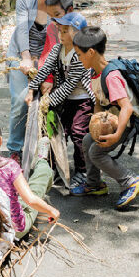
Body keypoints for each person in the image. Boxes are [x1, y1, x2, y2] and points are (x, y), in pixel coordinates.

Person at [69, 26, 139, 209]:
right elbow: (98, 101)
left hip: (125, 122)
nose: (78, 59)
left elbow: (127, 108)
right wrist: (95, 122)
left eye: (79, 55)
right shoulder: (93, 73)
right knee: (87, 140)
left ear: (90, 52)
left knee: (96, 152)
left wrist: (116, 135)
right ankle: (93, 184)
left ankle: (130, 180)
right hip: (111, 120)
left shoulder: (111, 77)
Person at [5, 0, 70, 160]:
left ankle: (44, 152)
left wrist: (45, 71)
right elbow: (22, 29)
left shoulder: (60, 7)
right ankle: (15, 149)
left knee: (47, 104)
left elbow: (56, 38)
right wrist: (26, 58)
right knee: (21, 102)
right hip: (19, 55)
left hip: (46, 59)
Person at [24, 12, 92, 186]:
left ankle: (82, 171)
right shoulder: (57, 49)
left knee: (78, 132)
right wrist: (31, 89)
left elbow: (70, 84)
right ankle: (55, 168)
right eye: (60, 30)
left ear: (77, 34)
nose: (60, 34)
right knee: (58, 131)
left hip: (83, 99)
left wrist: (47, 102)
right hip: (67, 100)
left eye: (64, 31)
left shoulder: (79, 54)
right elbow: (45, 70)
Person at [0, 116, 59, 239]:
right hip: (12, 230)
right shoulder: (9, 165)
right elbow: (31, 200)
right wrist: (51, 211)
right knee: (38, 184)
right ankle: (42, 161)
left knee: (19, 198)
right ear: (0, 141)